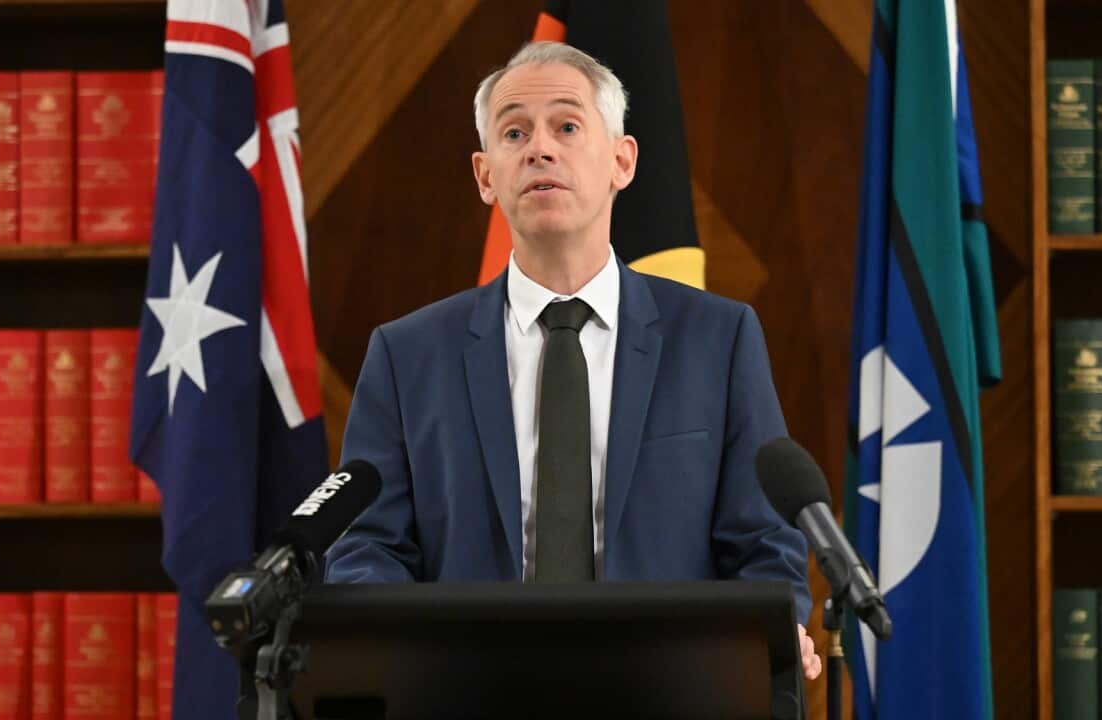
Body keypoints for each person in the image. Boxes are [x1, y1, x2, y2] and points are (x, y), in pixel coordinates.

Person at [325, 41, 820, 681]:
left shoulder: (717, 340)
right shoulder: (408, 354)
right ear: (485, 174)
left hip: (667, 690)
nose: (540, 149)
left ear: (622, 160)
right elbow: (368, 547)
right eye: (514, 132)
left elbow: (764, 542)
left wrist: (765, 639)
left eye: (566, 126)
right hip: (466, 691)